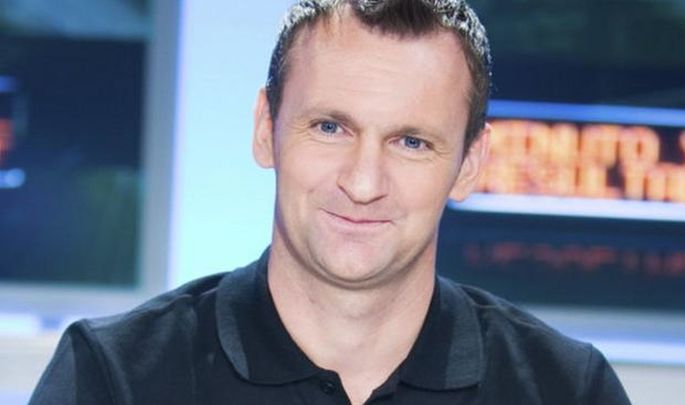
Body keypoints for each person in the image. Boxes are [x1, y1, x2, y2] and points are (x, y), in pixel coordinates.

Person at [31, 1, 631, 404]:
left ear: (470, 163)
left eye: (412, 141)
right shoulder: (115, 379)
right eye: (329, 128)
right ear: (265, 128)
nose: (363, 182)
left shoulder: (565, 390)